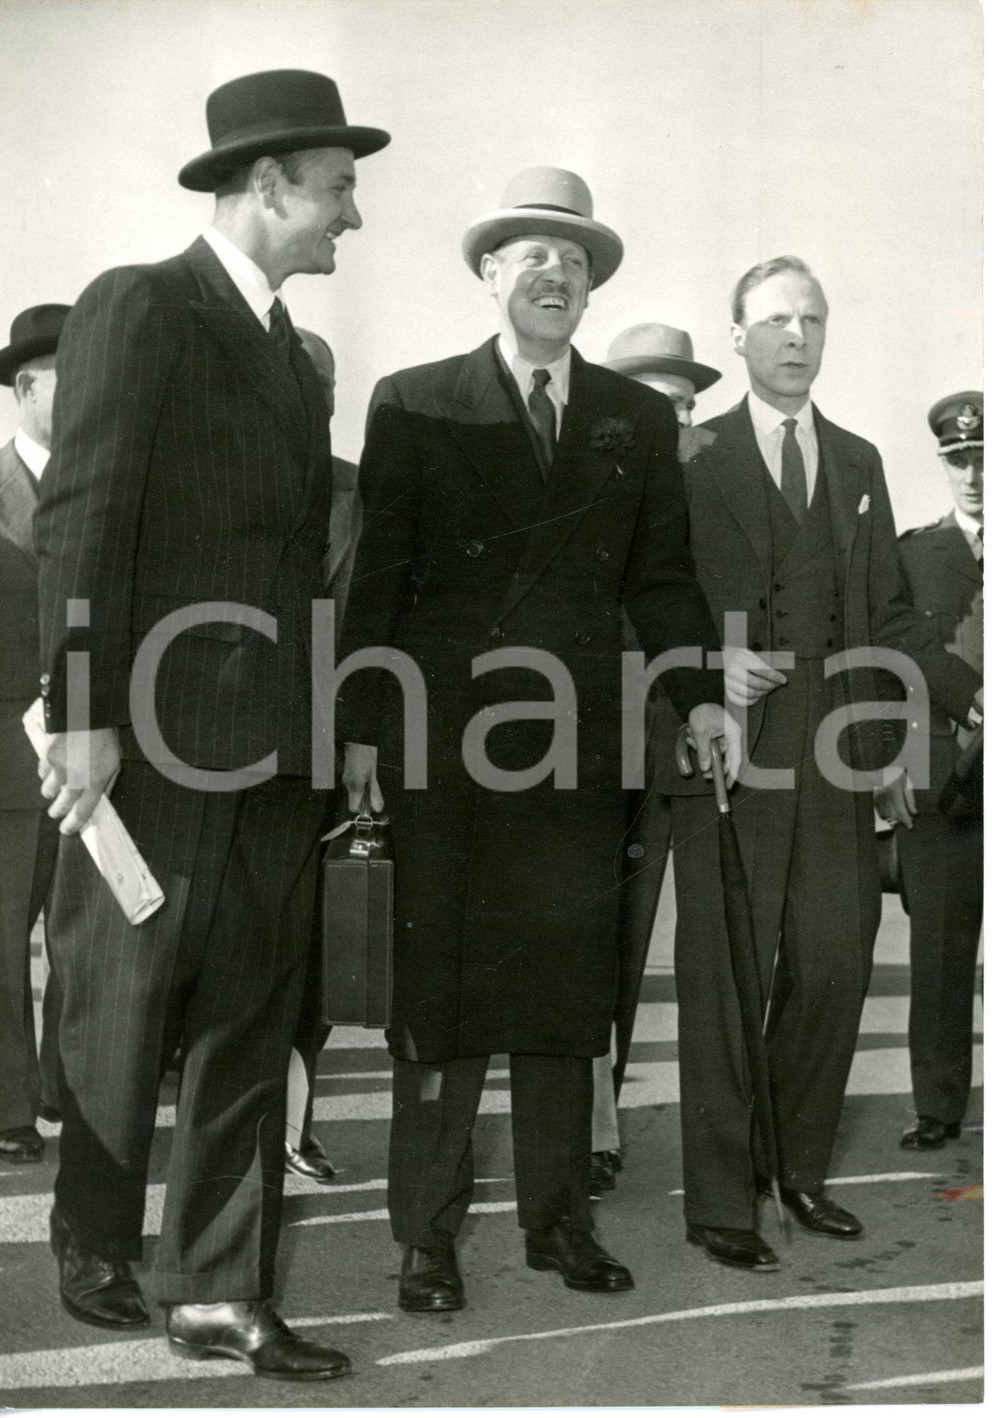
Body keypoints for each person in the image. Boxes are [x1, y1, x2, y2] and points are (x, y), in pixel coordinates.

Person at [35, 69, 388, 1380]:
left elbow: (313, 573)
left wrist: (335, 726)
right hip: (147, 740)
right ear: (268, 186)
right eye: (338, 190)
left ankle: (220, 1292)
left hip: (273, 752)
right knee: (121, 1003)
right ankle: (92, 1240)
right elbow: (82, 517)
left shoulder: (300, 365)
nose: (351, 217)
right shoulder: (142, 306)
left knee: (253, 1015)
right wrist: (80, 710)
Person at [337, 166, 739, 1314]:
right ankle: (427, 1236)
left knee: (567, 994)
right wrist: (363, 725)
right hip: (444, 741)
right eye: (529, 257)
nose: (553, 274)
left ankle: (559, 1222)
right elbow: (381, 577)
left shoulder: (632, 414)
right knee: (443, 995)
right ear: (488, 274)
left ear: (591, 285)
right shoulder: (413, 399)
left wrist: (701, 691)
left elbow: (660, 579)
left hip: (575, 745)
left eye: (574, 261)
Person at [649, 256, 983, 1273]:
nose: (796, 336)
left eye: (812, 319)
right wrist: (708, 666)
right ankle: (719, 1200)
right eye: (775, 320)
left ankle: (796, 1169)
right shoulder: (689, 457)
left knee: (834, 970)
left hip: (838, 758)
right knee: (725, 979)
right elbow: (649, 594)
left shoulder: (857, 460)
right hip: (732, 753)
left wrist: (960, 695)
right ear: (738, 335)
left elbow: (887, 614)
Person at [589, 323, 723, 1197]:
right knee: (604, 954)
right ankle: (592, 1127)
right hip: (608, 754)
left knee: (704, 956)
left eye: (683, 404)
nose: (673, 419)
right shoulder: (593, 482)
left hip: (699, 752)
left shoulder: (716, 486)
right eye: (656, 401)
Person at [875, 392, 983, 1151]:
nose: (972, 473)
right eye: (958, 459)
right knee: (941, 952)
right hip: (945, 780)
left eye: (984, 456)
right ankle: (938, 1107)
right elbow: (891, 657)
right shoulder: (915, 555)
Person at [283, 327, 363, 1184]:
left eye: (328, 382)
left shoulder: (356, 494)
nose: (319, 396)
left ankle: (292, 1125)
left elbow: (371, 629)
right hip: (220, 755)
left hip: (327, 758)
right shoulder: (215, 478)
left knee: (314, 952)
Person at [0, 304, 69, 1164]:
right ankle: (5, 1103)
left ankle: (70, 1089)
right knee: (1, 930)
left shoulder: (119, 489)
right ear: (26, 387)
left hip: (102, 748)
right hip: (3, 757)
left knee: (90, 936)